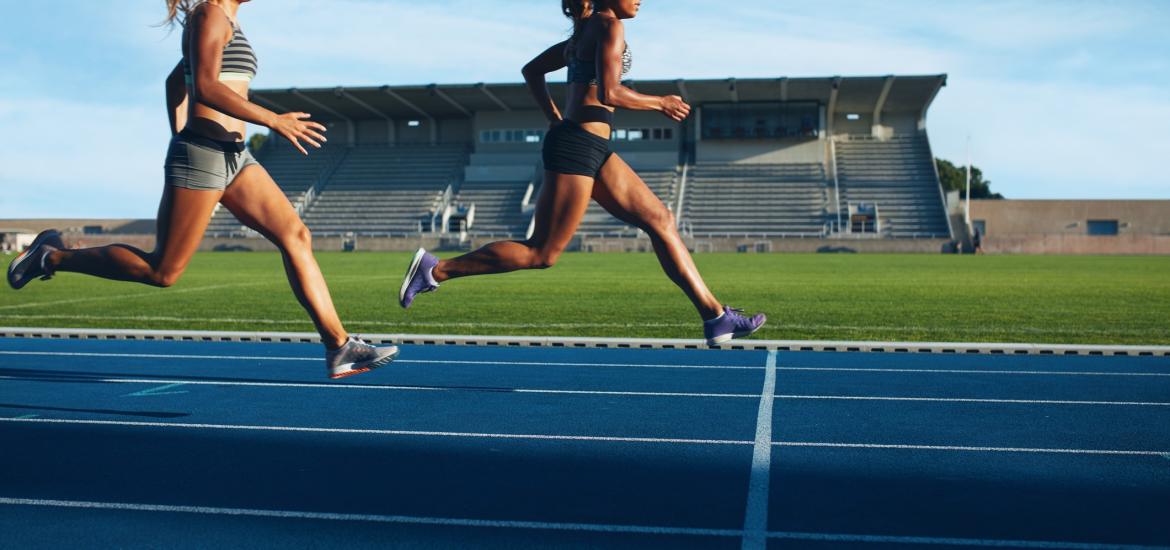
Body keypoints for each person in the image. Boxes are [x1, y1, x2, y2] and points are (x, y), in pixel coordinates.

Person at [6, 0, 398, 379]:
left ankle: (339, 346)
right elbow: (206, 86)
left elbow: (177, 81)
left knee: (296, 235)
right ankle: (52, 257)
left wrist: (180, 130)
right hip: (204, 155)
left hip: (236, 157)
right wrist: (269, 121)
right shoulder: (209, 13)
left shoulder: (227, 20)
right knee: (162, 271)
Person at [399, 0, 766, 346]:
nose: (641, 0)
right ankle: (436, 270)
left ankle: (715, 317)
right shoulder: (608, 24)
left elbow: (533, 71)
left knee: (660, 219)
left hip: (589, 146)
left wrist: (554, 117)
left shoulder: (584, 30)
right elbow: (609, 92)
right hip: (577, 147)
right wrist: (661, 102)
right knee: (541, 253)